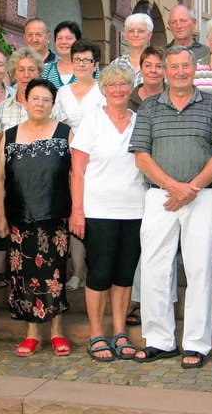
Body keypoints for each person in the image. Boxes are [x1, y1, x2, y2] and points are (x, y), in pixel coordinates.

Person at [129, 46, 212, 369]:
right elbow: (141, 156)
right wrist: (174, 186)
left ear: (194, 69)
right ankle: (160, 340)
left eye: (185, 66)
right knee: (155, 267)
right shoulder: (149, 108)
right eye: (173, 67)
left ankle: (196, 344)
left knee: (200, 269)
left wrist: (192, 188)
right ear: (164, 70)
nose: (179, 72)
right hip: (161, 197)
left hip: (202, 197)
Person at [69, 65, 145, 361]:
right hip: (98, 210)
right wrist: (77, 211)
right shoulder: (92, 121)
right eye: (112, 85)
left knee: (124, 276)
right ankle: (96, 334)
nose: (117, 89)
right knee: (99, 274)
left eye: (123, 84)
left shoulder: (141, 121)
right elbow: (77, 171)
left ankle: (120, 331)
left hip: (135, 210)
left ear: (130, 87)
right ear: (103, 89)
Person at [0, 78, 72, 357]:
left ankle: (57, 332)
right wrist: (0, 216)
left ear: (53, 105)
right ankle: (31, 333)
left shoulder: (65, 133)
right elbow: (0, 178)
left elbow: (75, 175)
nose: (40, 104)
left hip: (55, 216)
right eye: (35, 98)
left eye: (46, 100)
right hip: (20, 218)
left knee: (55, 274)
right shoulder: (10, 135)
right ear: (25, 101)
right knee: (23, 275)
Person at [125, 45, 174, 327]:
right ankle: (138, 299)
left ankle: (158, 300)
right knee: (141, 243)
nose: (154, 70)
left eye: (159, 65)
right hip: (132, 178)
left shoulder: (173, 96)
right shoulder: (129, 98)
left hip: (164, 180)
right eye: (149, 65)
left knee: (161, 245)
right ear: (140, 68)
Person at [0, 47, 44, 289]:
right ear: (13, 73)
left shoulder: (50, 104)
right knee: (4, 222)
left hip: (41, 182)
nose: (25, 74)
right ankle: (2, 272)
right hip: (9, 180)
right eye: (20, 69)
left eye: (31, 69)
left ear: (39, 72)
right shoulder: (3, 109)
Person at [52, 39, 105, 291]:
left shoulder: (103, 90)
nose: (81, 65)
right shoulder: (62, 93)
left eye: (87, 60)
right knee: (74, 213)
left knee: (95, 217)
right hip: (70, 161)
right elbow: (58, 127)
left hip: (100, 162)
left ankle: (95, 269)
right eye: (77, 60)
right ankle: (77, 270)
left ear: (96, 64)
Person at [110, 13, 154, 86]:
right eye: (131, 31)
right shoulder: (117, 64)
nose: (135, 35)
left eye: (141, 31)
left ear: (149, 35)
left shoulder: (158, 63)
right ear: (125, 35)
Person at [42, 21, 83, 88]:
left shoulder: (89, 67)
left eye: (68, 38)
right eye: (59, 38)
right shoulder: (46, 70)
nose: (63, 42)